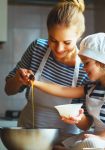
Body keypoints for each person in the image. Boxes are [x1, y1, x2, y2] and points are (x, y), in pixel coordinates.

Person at [31, 33, 105, 149]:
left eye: (87, 63)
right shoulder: (91, 88)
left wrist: (101, 138)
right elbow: (62, 90)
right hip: (97, 138)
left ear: (102, 62)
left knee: (89, 144)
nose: (84, 68)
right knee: (58, 144)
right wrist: (34, 83)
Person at [5, 0, 89, 141]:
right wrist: (18, 80)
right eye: (53, 40)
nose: (59, 48)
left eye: (67, 42)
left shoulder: (85, 68)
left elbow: (87, 124)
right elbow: (8, 90)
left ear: (79, 35)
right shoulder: (37, 48)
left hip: (64, 142)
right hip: (28, 137)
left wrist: (78, 118)